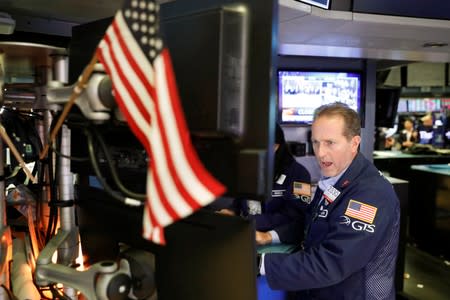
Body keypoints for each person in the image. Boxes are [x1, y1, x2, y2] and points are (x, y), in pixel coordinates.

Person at [257, 102, 400, 299]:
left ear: (354, 142)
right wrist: (270, 237)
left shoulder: (371, 193)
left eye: (330, 142)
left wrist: (260, 263)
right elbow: (310, 224)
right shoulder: (335, 180)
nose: (320, 153)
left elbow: (332, 263)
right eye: (316, 142)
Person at [218, 123, 312, 232]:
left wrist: (251, 222)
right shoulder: (248, 167)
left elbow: (297, 215)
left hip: (279, 240)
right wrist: (230, 211)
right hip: (245, 231)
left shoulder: (300, 174)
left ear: (277, 146)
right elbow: (239, 202)